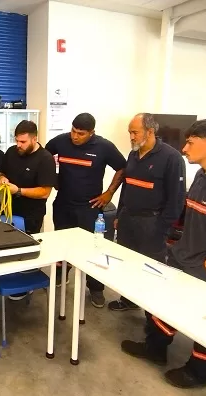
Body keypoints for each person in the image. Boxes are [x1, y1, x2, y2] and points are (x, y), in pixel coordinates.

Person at [121, 118, 206, 389]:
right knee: (165, 304)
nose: (184, 149)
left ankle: (199, 371)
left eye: (191, 143)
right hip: (184, 256)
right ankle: (155, 348)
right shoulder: (202, 175)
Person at [45, 113, 126, 308]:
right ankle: (62, 274)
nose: (75, 136)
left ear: (92, 133)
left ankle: (95, 288)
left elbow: (122, 168)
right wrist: (52, 178)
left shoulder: (104, 147)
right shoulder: (61, 141)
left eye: (80, 133)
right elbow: (44, 156)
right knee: (62, 244)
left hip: (90, 207)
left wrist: (109, 193)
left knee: (92, 248)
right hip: (63, 204)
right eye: (73, 131)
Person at [108, 113, 186, 311]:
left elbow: (176, 198)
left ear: (150, 131)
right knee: (127, 262)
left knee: (151, 268)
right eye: (130, 132)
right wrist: (119, 215)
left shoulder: (171, 158)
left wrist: (163, 228)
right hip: (128, 219)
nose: (131, 137)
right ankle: (129, 300)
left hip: (152, 222)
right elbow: (126, 186)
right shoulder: (133, 154)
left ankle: (152, 314)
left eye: (135, 132)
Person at [0, 120, 57, 234]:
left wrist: (18, 191)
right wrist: (1, 178)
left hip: (30, 217)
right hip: (8, 211)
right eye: (17, 140)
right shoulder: (11, 151)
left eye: (23, 142)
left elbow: (45, 192)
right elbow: (0, 172)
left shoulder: (45, 159)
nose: (18, 145)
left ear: (34, 139)